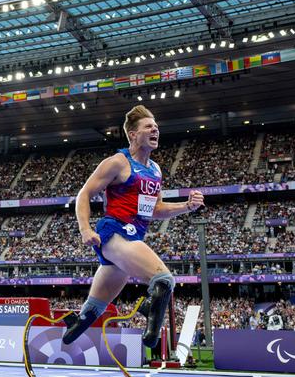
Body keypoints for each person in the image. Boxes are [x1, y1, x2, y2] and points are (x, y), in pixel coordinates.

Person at [62, 105, 204, 348]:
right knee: (163, 280)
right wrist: (85, 228)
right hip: (114, 233)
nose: (155, 130)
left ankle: (73, 323)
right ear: (132, 134)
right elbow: (84, 194)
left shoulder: (155, 170)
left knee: (89, 315)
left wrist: (186, 207)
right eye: (148, 126)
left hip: (132, 238)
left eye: (156, 127)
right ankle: (148, 306)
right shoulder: (118, 162)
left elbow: (155, 209)